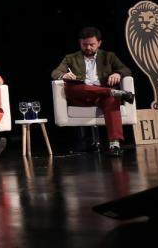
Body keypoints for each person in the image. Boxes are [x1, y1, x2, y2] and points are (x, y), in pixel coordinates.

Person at [51, 26, 135, 157]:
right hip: (81, 95)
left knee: (112, 100)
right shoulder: (70, 58)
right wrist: (64, 76)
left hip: (102, 97)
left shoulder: (109, 56)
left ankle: (114, 144)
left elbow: (126, 70)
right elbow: (55, 72)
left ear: (99, 43)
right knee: (72, 87)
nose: (88, 48)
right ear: (80, 43)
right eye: (85, 45)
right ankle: (112, 92)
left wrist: (118, 73)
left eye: (92, 44)